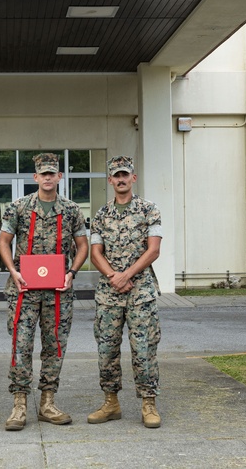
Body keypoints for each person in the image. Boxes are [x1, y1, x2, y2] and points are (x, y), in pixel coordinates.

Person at [0, 152, 89, 430]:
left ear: (60, 177)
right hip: (24, 288)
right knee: (21, 345)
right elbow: (4, 241)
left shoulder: (71, 209)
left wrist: (72, 272)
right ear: (35, 177)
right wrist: (12, 271)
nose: (48, 178)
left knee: (55, 346)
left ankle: (47, 402)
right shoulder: (19, 207)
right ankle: (19, 405)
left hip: (58, 290)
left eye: (53, 173)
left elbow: (82, 245)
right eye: (43, 174)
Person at [86, 155, 164, 429]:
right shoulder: (101, 215)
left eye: (125, 175)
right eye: (116, 175)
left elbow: (153, 250)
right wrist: (112, 276)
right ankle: (111, 403)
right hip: (109, 294)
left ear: (133, 178)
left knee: (143, 349)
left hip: (140, 292)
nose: (120, 179)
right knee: (107, 350)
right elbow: (95, 253)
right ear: (110, 180)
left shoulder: (149, 209)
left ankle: (148, 403)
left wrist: (126, 275)